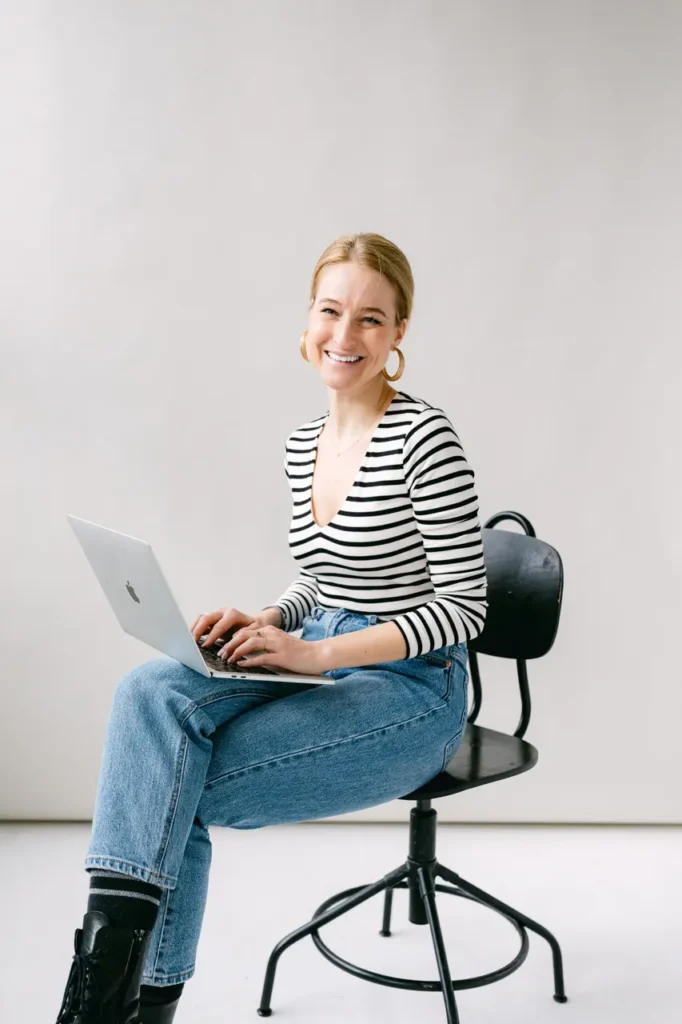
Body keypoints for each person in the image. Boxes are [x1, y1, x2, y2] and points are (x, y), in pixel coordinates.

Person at [55, 232, 488, 1023]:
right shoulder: (303, 444)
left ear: (396, 338)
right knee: (151, 689)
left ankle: (109, 1007)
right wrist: (266, 618)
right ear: (308, 320)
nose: (344, 335)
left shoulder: (427, 440)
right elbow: (320, 578)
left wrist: (316, 650)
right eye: (331, 311)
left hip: (412, 687)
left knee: (163, 787)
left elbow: (464, 608)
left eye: (370, 319)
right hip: (316, 645)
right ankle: (113, 996)